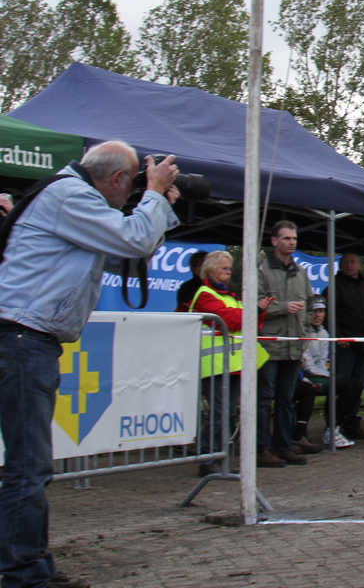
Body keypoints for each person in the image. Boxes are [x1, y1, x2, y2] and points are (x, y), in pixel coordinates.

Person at [0, 141, 179, 588]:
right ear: (117, 178)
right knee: (28, 466)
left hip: (27, 339)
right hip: (22, 338)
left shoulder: (71, 199)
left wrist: (159, 205)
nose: (134, 191)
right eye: (134, 183)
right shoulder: (70, 196)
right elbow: (133, 239)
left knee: (30, 464)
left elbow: (129, 255)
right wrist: (154, 195)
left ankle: (32, 565)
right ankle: (22, 574)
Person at [186, 249, 268, 475]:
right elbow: (231, 320)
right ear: (211, 269)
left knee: (227, 413)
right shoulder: (204, 295)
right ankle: (208, 458)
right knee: (219, 414)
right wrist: (255, 310)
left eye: (230, 268)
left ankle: (218, 456)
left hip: (232, 365)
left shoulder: (229, 296)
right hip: (214, 366)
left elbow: (251, 323)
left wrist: (258, 311)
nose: (229, 271)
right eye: (224, 268)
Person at [256, 221, 314, 467]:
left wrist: (305, 333)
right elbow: (254, 304)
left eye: (294, 238)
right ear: (274, 241)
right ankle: (261, 448)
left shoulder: (300, 272)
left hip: (293, 346)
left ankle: (283, 445)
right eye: (287, 238)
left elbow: (309, 305)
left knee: (286, 398)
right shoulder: (261, 270)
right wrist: (281, 307)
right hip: (269, 347)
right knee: (263, 399)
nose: (292, 242)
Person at [295, 299, 361, 449]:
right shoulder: (303, 332)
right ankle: (330, 431)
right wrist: (326, 378)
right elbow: (308, 364)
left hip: (320, 373)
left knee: (357, 385)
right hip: (307, 376)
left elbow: (322, 361)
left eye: (321, 311)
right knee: (343, 386)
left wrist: (327, 375)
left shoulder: (324, 333)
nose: (317, 315)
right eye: (314, 312)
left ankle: (335, 427)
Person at [328, 251, 364, 439]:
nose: (349, 265)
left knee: (358, 387)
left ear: (359, 265)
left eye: (352, 262)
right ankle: (335, 426)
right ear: (340, 265)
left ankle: (351, 424)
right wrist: (338, 336)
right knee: (341, 388)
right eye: (346, 262)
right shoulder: (335, 286)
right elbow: (329, 313)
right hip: (345, 347)